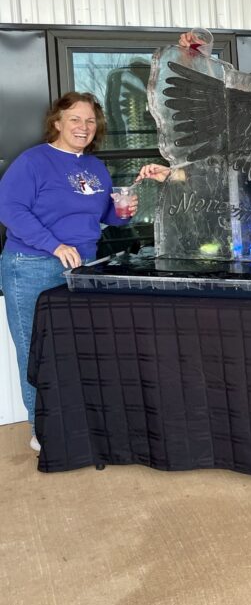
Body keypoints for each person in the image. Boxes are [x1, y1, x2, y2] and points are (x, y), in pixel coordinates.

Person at [0, 92, 163, 452]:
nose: (83, 127)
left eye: (90, 121)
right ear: (56, 122)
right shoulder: (33, 162)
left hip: (83, 269)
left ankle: (79, 418)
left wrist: (123, 212)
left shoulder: (95, 167)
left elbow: (101, 215)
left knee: (80, 348)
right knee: (35, 350)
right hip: (31, 266)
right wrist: (53, 244)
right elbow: (9, 209)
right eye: (75, 119)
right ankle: (41, 427)